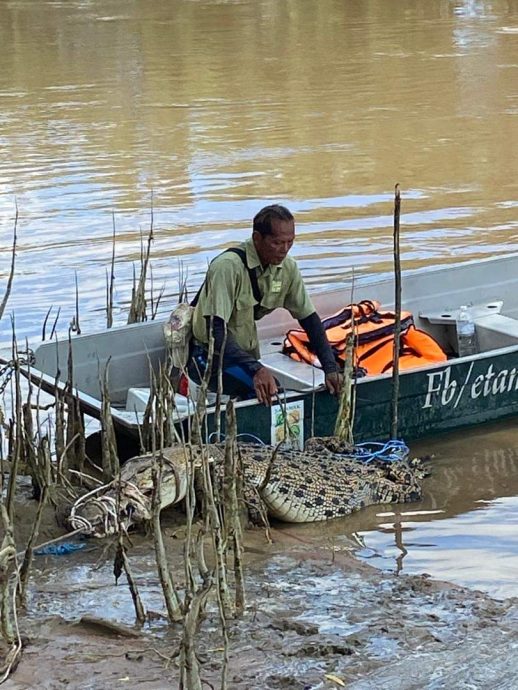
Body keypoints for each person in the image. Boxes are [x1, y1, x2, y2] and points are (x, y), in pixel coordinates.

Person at [187, 204, 342, 406]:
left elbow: (310, 320)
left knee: (274, 389)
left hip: (244, 355)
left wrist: (330, 368)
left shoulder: (287, 268)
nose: (284, 250)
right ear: (257, 239)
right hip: (208, 356)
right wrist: (257, 369)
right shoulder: (227, 267)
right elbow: (215, 330)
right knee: (272, 393)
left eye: (290, 242)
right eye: (277, 243)